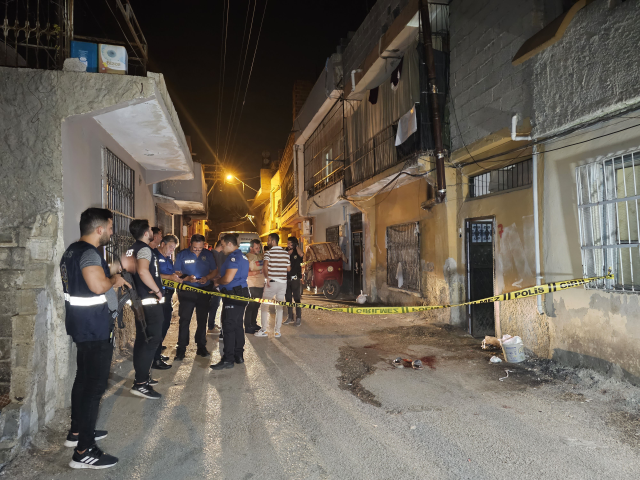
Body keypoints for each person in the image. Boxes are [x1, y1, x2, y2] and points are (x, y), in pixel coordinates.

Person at [60, 207, 130, 469]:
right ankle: (84, 452)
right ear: (99, 229)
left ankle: (77, 432)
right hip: (94, 328)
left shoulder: (72, 250)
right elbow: (98, 285)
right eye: (110, 228)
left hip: (82, 325)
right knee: (94, 388)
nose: (112, 233)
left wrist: (111, 270)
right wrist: (114, 279)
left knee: (82, 379)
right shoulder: (89, 253)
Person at [127, 220, 165, 399]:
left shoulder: (131, 249)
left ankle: (143, 378)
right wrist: (157, 291)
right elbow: (143, 271)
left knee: (143, 340)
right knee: (151, 341)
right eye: (150, 229)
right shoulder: (144, 249)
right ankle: (140, 384)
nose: (152, 231)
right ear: (145, 232)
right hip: (149, 301)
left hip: (140, 302)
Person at [173, 234, 218, 360]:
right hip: (187, 291)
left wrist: (207, 278)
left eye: (199, 248)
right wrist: (187, 278)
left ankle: (201, 346)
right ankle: (181, 348)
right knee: (184, 319)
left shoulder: (208, 255)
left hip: (204, 290)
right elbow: (176, 272)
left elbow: (214, 270)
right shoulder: (182, 254)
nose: (197, 251)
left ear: (203, 245)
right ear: (190, 244)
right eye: (195, 248)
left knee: (202, 319)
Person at [210, 234, 250, 370]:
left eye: (222, 244)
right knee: (238, 325)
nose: (221, 247)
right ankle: (238, 356)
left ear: (229, 244)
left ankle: (228, 359)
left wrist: (217, 282)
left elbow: (227, 279)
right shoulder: (242, 256)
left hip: (234, 295)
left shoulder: (233, 257)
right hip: (240, 293)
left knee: (228, 327)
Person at [152, 235, 182, 370]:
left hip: (168, 295)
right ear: (162, 244)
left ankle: (156, 353)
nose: (172, 250)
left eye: (174, 248)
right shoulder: (154, 256)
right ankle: (155, 359)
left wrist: (179, 276)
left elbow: (170, 274)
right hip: (158, 296)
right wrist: (169, 277)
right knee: (159, 327)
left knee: (164, 325)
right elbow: (151, 273)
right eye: (170, 247)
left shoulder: (168, 259)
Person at [255, 233, 290, 338]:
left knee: (264, 306)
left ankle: (264, 330)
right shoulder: (285, 254)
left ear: (273, 241)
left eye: (268, 240)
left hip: (272, 283)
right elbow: (288, 269)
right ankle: (277, 331)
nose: (267, 242)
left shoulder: (268, 253)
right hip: (283, 284)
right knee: (279, 307)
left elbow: (265, 266)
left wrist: (267, 278)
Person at [283, 236, 304, 327]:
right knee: (288, 298)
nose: (287, 245)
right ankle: (290, 316)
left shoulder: (297, 252)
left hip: (295, 279)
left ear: (294, 244)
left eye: (289, 243)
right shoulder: (285, 251)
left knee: (297, 298)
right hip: (286, 279)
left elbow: (302, 255)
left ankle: (298, 317)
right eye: (287, 243)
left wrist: (296, 246)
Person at [244, 239, 264, 333]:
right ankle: (248, 326)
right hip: (252, 284)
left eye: (259, 247)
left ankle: (253, 323)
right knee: (251, 305)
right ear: (251, 248)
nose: (258, 249)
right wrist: (259, 272)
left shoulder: (260, 256)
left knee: (257, 305)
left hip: (260, 284)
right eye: (256, 247)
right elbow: (246, 273)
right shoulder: (247, 257)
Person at [208, 240, 227, 334]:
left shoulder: (211, 253)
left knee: (213, 305)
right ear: (221, 246)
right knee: (214, 305)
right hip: (215, 284)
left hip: (212, 283)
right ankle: (210, 326)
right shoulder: (216, 255)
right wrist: (217, 281)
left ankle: (211, 325)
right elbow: (215, 270)